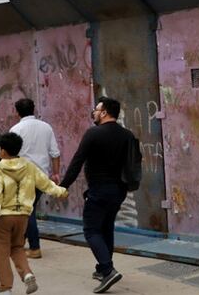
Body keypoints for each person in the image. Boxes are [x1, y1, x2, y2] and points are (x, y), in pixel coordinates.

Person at [58, 97, 137, 294]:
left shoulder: (93, 134)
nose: (93, 112)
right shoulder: (127, 135)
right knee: (106, 228)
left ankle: (108, 270)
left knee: (91, 230)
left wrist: (63, 186)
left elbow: (77, 162)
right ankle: (103, 269)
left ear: (104, 113)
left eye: (96, 109)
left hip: (99, 190)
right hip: (118, 191)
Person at [0, 132, 68, 295]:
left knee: (2, 252)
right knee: (17, 247)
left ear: (1, 151)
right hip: (23, 216)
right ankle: (27, 274)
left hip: (3, 217)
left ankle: (5, 288)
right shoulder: (29, 167)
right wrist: (61, 191)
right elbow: (45, 183)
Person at [9, 98, 61, 259]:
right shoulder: (46, 127)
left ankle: (34, 247)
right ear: (34, 109)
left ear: (17, 112)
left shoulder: (16, 129)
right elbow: (55, 153)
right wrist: (56, 173)